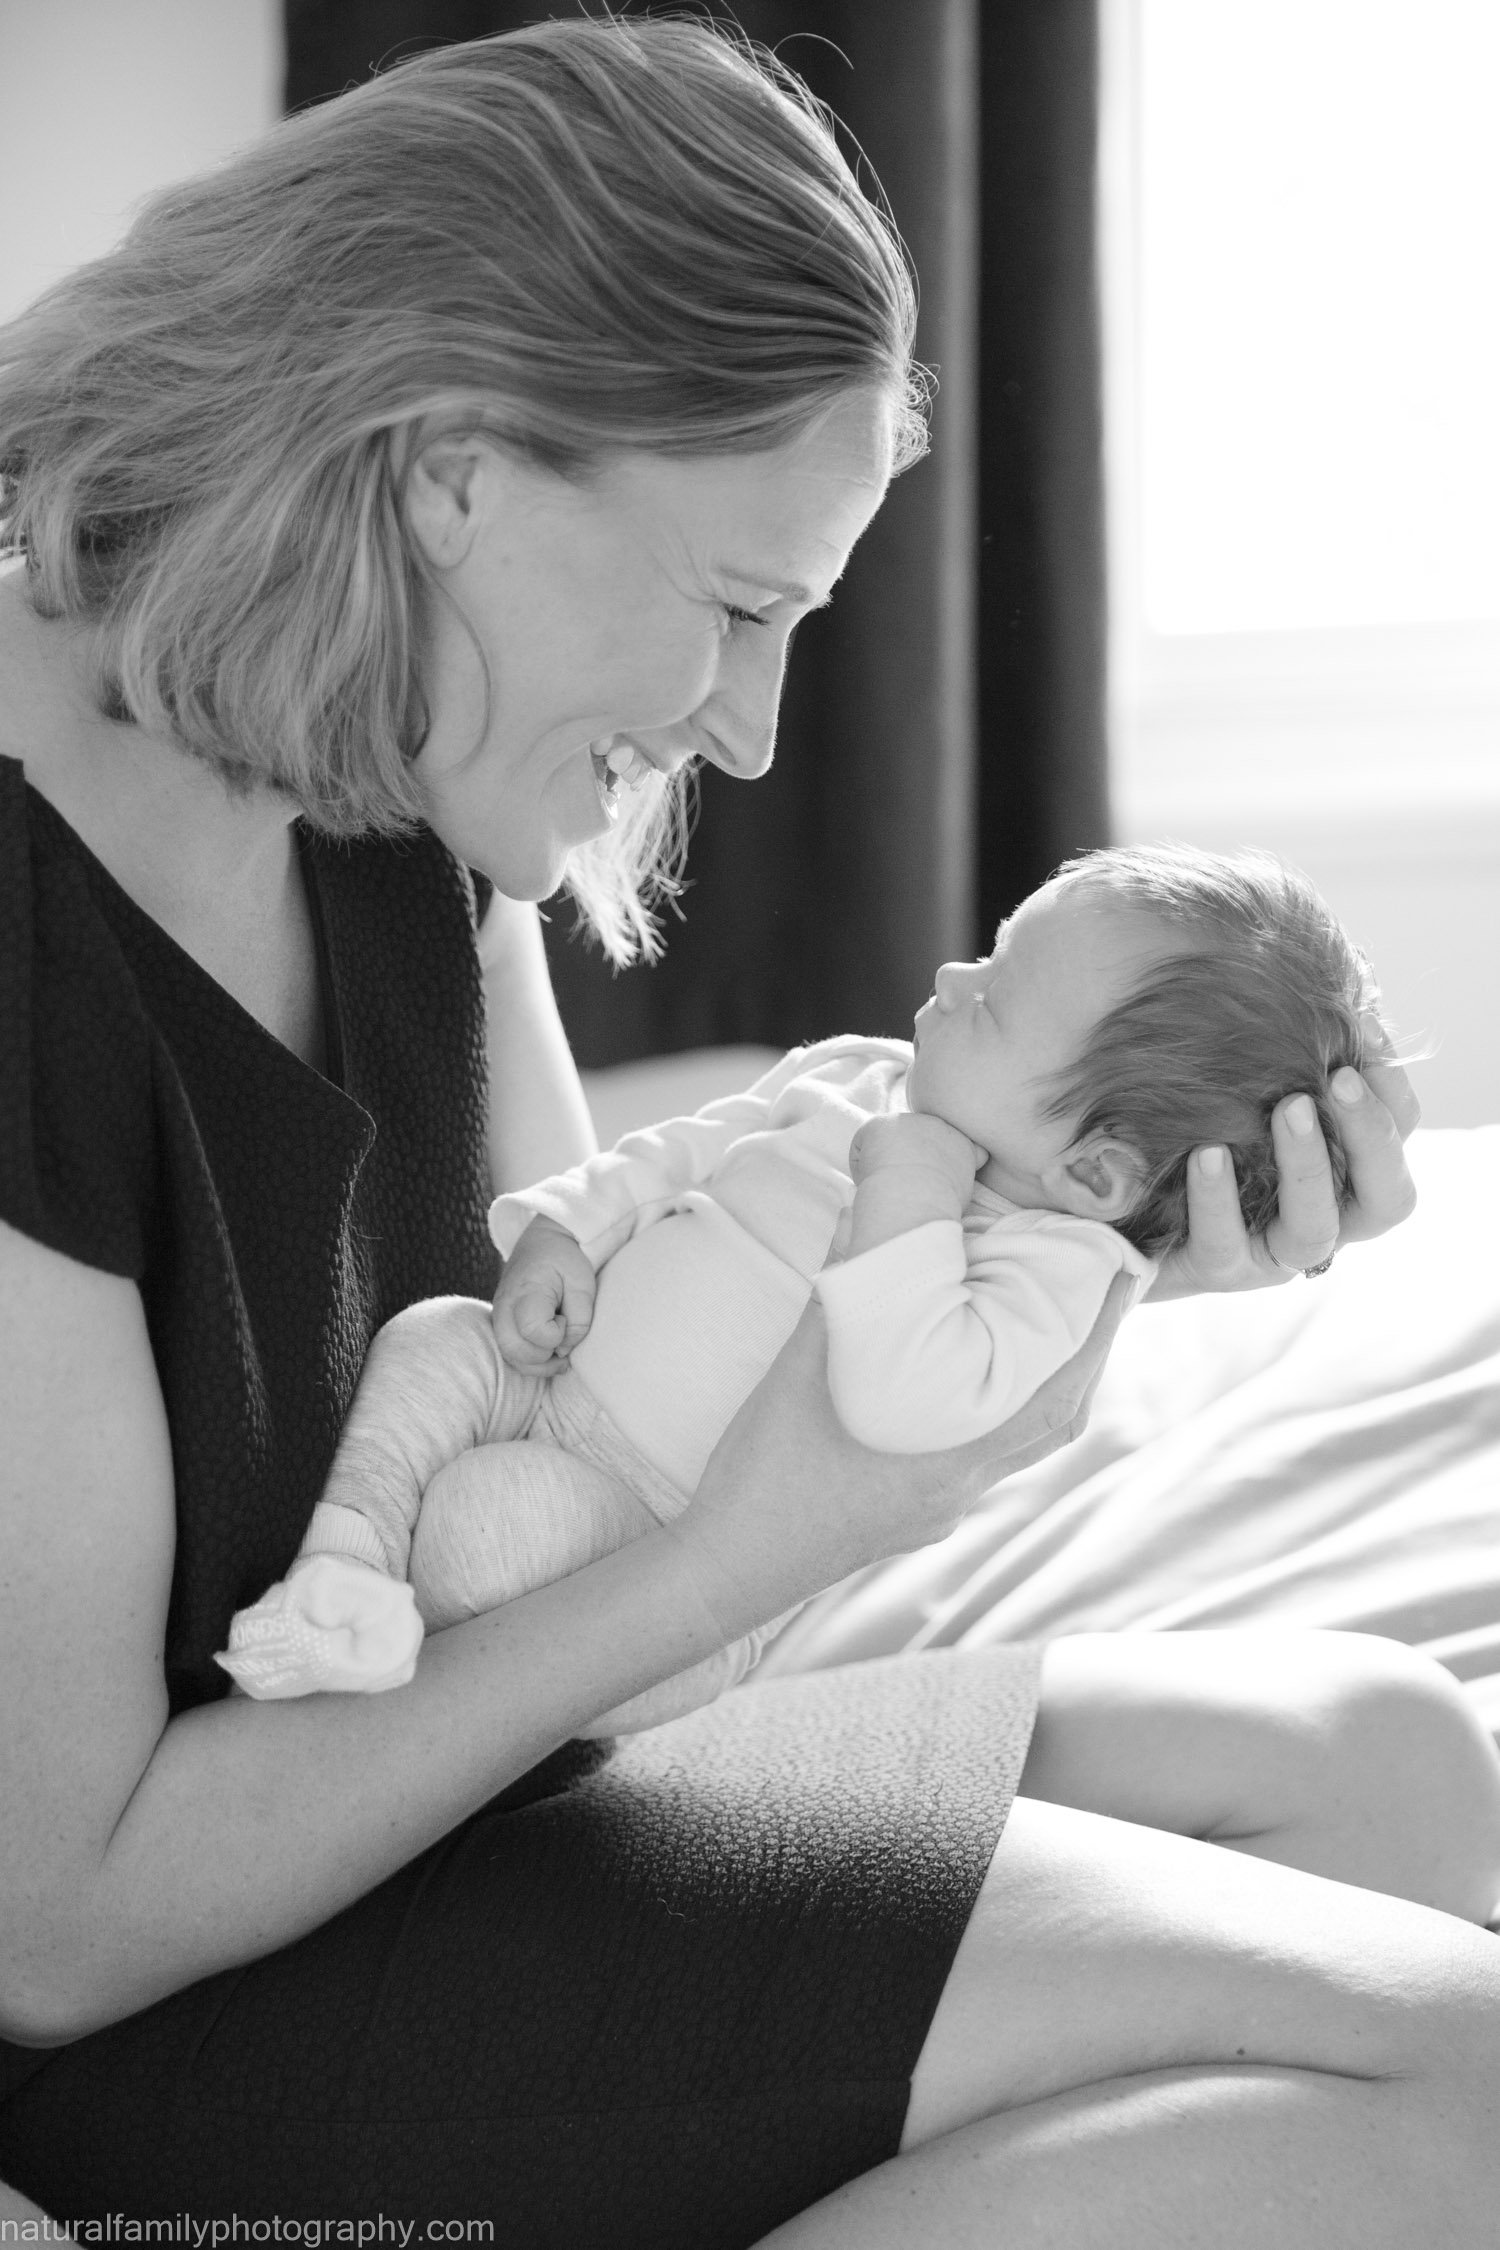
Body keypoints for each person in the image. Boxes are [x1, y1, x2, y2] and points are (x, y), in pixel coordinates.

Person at [0, 19, 1496, 2250]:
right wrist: (762, 1549)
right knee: (1467, 2091)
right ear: (450, 468)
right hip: (190, 2010)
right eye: (734, 606)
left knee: (1396, 1758)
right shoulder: (33, 949)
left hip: (480, 1796)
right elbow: (59, 1923)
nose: (763, 735)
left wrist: (1050, 1228)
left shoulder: (394, 773)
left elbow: (610, 1368)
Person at [218, 844, 1391, 1741]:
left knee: (482, 1521)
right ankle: (340, 1569)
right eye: (985, 949)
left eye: (989, 999)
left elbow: (903, 1400)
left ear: (1095, 1173)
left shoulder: (1051, 1265)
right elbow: (684, 1148)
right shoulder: (863, 1073)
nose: (947, 975)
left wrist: (913, 1189)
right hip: (545, 1371)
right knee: (431, 1339)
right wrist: (565, 1232)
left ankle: (396, 1656)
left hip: (639, 1541)